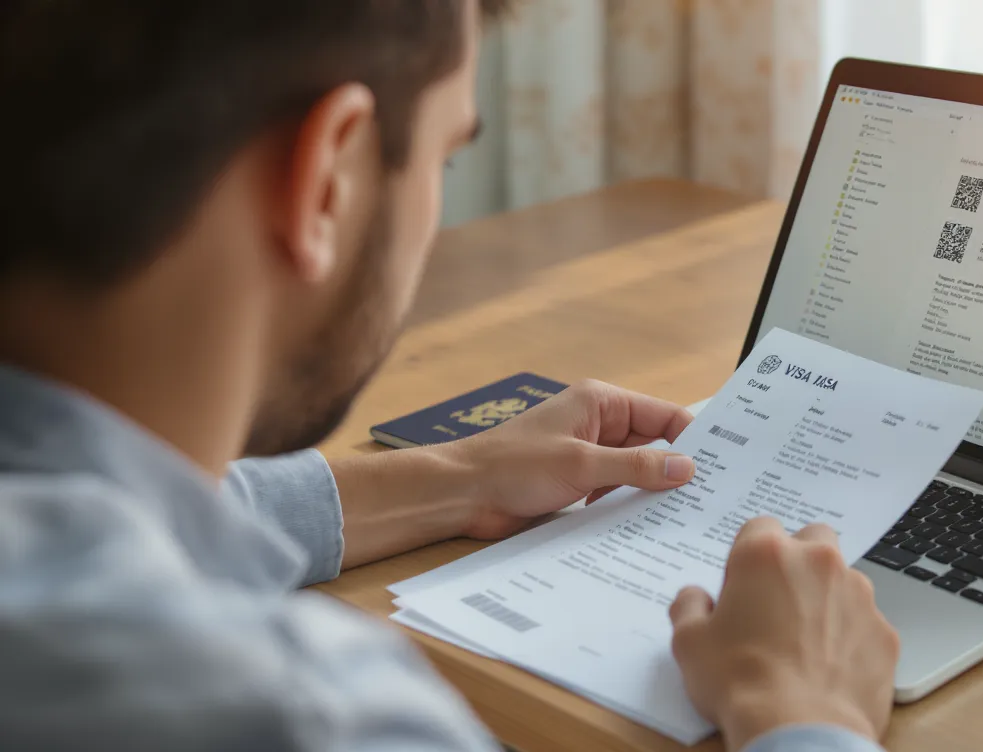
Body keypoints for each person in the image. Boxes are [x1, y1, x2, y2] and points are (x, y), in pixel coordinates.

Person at [0, 1, 902, 750]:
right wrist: (805, 714)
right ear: (328, 179)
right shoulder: (315, 719)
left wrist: (457, 480)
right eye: (446, 156)